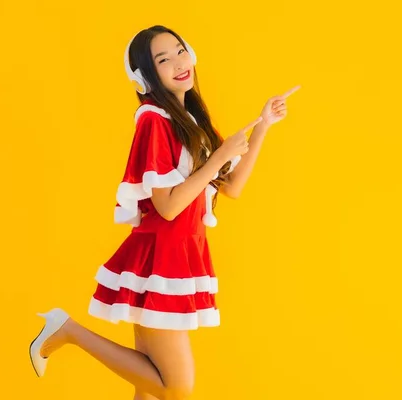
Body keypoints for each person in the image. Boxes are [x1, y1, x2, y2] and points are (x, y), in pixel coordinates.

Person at [29, 24, 300, 400]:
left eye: (179, 50)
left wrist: (263, 127)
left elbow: (231, 187)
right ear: (146, 76)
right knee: (175, 387)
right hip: (162, 257)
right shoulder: (153, 120)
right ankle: (67, 331)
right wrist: (220, 156)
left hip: (180, 255)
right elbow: (168, 207)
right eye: (163, 59)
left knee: (152, 390)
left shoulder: (188, 122)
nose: (178, 62)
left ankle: (67, 331)